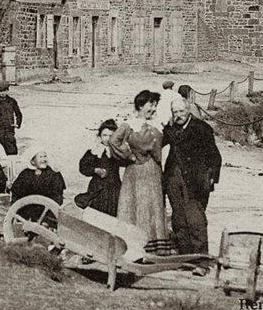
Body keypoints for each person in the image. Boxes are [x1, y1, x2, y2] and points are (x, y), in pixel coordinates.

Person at [111, 90, 173, 257]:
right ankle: (135, 244)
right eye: (150, 105)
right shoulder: (129, 124)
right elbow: (113, 141)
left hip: (154, 171)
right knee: (137, 207)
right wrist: (129, 155)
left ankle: (155, 246)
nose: (153, 109)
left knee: (153, 207)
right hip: (136, 172)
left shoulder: (158, 124)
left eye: (155, 106)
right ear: (140, 105)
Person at [163, 101, 222, 256]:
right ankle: (185, 256)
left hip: (195, 182)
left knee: (195, 220)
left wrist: (211, 178)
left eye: (181, 111)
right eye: (175, 112)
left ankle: (201, 259)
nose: (178, 115)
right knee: (179, 219)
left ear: (188, 111)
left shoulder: (202, 128)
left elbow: (214, 156)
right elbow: (158, 142)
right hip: (173, 180)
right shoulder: (171, 128)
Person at [74, 119, 123, 216]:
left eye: (111, 136)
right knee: (97, 213)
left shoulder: (117, 151)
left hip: (114, 188)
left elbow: (125, 162)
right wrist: (95, 170)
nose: (107, 139)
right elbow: (83, 167)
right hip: (97, 188)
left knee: (113, 213)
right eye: (104, 135)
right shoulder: (94, 151)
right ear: (99, 137)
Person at [10, 150, 65, 220]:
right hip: (26, 213)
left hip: (46, 213)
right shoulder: (25, 174)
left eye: (45, 156)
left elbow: (57, 199)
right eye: (41, 157)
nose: (44, 159)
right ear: (32, 161)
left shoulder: (54, 175)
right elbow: (16, 194)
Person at [0, 81, 23, 156]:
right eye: (0, 91)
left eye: (4, 91)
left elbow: (18, 114)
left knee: (11, 146)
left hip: (9, 128)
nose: (2, 93)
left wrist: (17, 123)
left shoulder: (12, 101)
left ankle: (12, 161)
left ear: (7, 90)